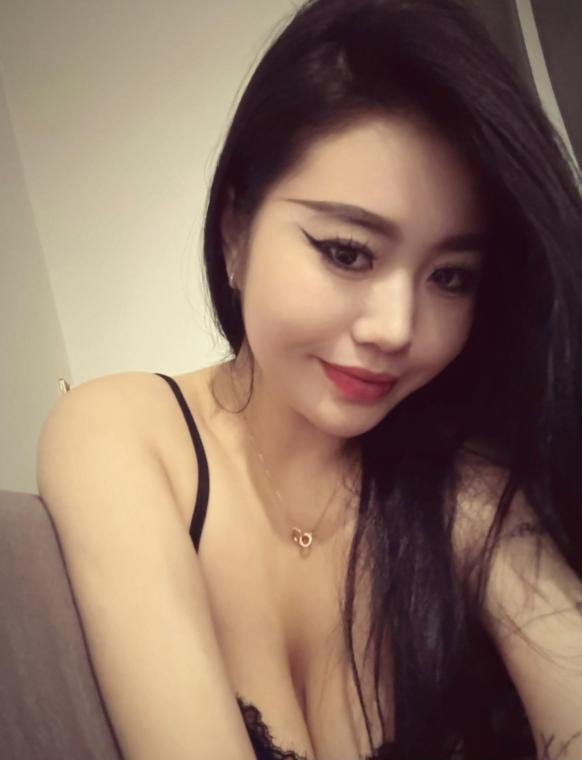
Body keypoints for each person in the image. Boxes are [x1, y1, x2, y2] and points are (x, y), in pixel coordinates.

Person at [37, 0, 582, 758]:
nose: (396, 328)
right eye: (347, 252)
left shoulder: (466, 489)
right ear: (235, 230)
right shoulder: (125, 433)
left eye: (451, 276)